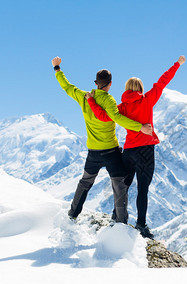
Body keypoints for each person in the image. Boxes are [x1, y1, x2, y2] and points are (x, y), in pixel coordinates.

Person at [86, 55, 186, 238]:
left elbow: (103, 116)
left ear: (126, 89)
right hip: (146, 150)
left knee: (123, 186)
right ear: (140, 89)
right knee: (143, 189)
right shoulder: (148, 99)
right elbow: (163, 81)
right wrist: (177, 64)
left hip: (129, 151)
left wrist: (91, 101)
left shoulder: (120, 108)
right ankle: (141, 224)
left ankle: (116, 216)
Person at [51, 56, 153, 224]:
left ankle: (72, 214)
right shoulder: (109, 100)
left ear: (96, 83)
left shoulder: (83, 97)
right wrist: (140, 127)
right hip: (111, 152)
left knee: (85, 182)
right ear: (110, 83)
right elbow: (117, 117)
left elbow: (67, 87)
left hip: (93, 152)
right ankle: (121, 223)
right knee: (119, 186)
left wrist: (57, 69)